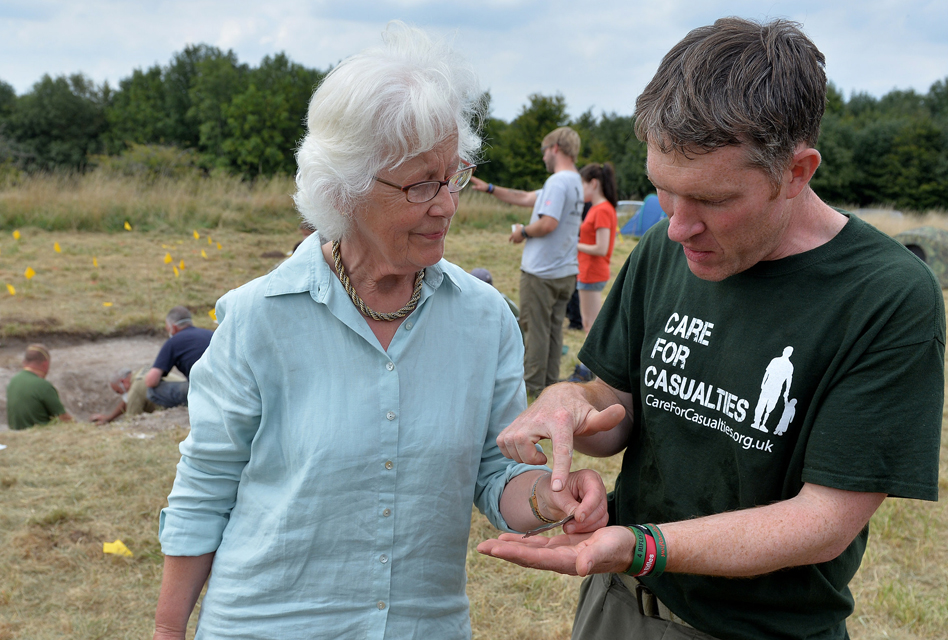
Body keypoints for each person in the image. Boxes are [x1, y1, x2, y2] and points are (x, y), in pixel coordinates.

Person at [478, 17, 945, 640]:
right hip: (616, 606)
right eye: (664, 191)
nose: (676, 227)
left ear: (797, 171)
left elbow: (823, 519)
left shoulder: (885, 297)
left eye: (714, 200)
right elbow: (613, 405)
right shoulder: (667, 251)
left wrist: (642, 547)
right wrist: (569, 404)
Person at [153, 23, 607, 640]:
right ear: (347, 187)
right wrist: (166, 632)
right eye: (422, 184)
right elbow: (205, 487)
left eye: (455, 176)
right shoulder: (260, 316)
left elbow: (493, 474)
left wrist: (552, 498)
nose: (447, 204)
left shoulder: (484, 319)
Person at [471, 126, 584, 397]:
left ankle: (532, 387)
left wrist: (522, 232)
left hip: (542, 272)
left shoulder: (557, 182)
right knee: (554, 330)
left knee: (534, 329)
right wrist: (489, 188)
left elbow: (547, 223)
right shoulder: (574, 181)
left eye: (544, 151)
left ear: (555, 148)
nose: (544, 157)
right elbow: (524, 198)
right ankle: (549, 382)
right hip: (565, 270)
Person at [568, 163, 618, 382]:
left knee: (591, 325)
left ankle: (589, 371)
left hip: (592, 272)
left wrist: (574, 244)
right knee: (590, 323)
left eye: (583, 185)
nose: (581, 190)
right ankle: (589, 369)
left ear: (594, 183)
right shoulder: (600, 209)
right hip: (587, 271)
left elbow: (602, 247)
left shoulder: (602, 210)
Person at [144, 306, 213, 409]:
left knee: (152, 391)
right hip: (229, 386)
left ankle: (188, 408)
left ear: (174, 327)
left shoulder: (173, 342)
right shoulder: (211, 334)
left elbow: (151, 381)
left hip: (204, 391)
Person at [5, 344, 73, 430]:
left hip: (16, 434)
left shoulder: (13, 381)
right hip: (41, 436)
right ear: (45, 364)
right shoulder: (43, 386)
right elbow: (63, 418)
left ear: (24, 362)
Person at [91, 366, 158, 425]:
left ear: (123, 382)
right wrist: (109, 418)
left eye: (118, 391)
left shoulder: (134, 392)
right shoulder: (144, 369)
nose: (121, 394)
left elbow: (132, 422)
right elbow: (126, 400)